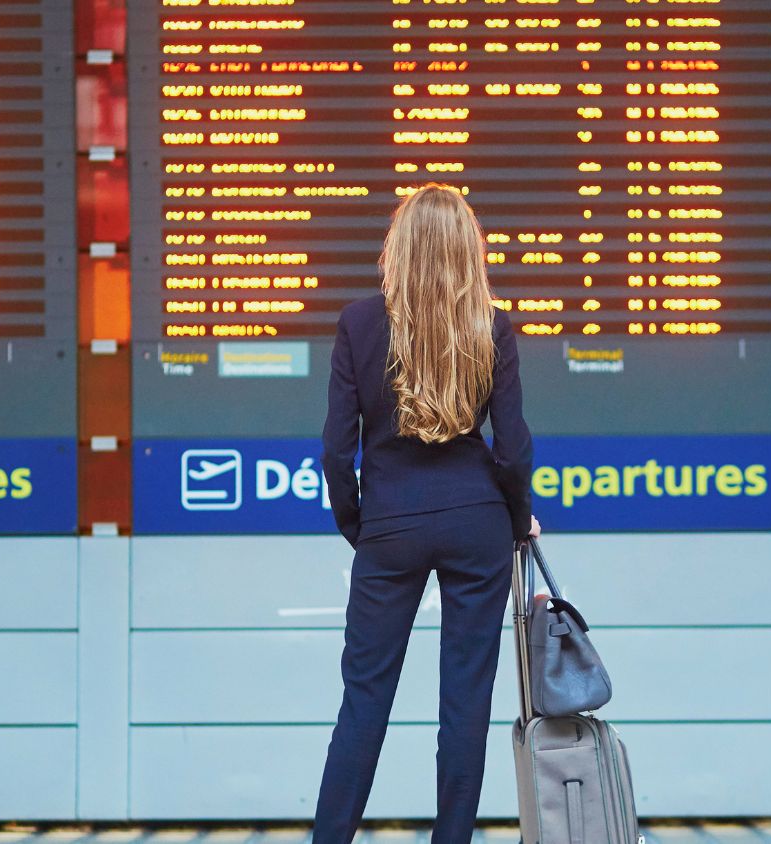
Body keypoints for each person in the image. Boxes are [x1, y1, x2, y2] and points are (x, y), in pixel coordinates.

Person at [314, 184, 538, 844]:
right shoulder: (491, 325)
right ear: (469, 250)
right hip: (477, 524)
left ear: (399, 247)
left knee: (364, 698)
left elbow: (336, 450)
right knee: (466, 701)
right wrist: (517, 519)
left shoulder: (358, 323)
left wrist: (360, 526)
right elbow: (514, 449)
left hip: (390, 524)